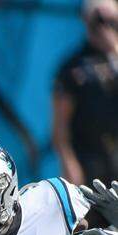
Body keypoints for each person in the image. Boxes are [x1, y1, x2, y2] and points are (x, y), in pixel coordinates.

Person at [53, 0, 118, 189]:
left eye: (111, 21)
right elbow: (60, 126)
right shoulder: (74, 67)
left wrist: (113, 49)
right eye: (100, 21)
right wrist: (69, 162)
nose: (106, 27)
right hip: (88, 158)